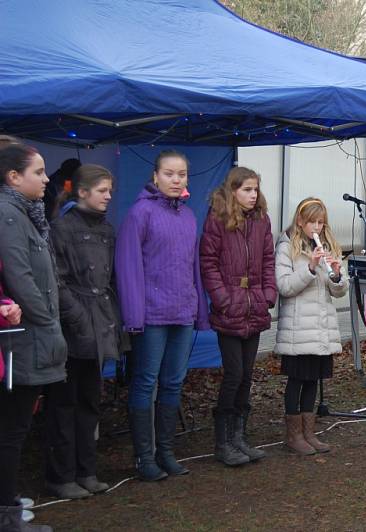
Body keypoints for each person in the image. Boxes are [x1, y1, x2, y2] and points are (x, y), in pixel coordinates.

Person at [115, 150, 209, 481]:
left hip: (182, 312)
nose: (176, 179)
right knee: (145, 382)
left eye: (181, 174)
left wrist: (198, 308)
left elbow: (192, 267)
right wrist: (134, 316)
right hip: (151, 315)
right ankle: (144, 456)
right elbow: (127, 267)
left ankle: (165, 452)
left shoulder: (188, 216)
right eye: (169, 173)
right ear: (155, 176)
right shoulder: (140, 213)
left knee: (173, 382)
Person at [41, 165, 121, 500]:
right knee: (63, 404)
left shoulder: (106, 229)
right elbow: (55, 281)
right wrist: (76, 318)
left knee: (90, 401)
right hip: (72, 327)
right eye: (102, 190)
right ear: (83, 192)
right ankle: (61, 475)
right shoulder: (61, 229)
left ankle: (87, 470)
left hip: (99, 324)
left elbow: (110, 279)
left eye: (110, 191)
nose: (108, 197)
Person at [0, 142, 67, 531]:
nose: (47, 179)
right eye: (39, 172)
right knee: (12, 429)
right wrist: (47, 323)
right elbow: (20, 277)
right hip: (22, 336)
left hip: (29, 333)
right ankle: (7, 515)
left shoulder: (22, 213)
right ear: (13, 177)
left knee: (14, 427)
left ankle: (7, 502)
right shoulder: (8, 215)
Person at [200, 167, 277, 466]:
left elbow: (268, 260)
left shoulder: (261, 220)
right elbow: (208, 263)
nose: (253, 195)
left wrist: (267, 294)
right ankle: (222, 442)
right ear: (233, 191)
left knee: (246, 374)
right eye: (246, 189)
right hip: (230, 309)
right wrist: (223, 298)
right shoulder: (217, 219)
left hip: (254, 306)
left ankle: (238, 437)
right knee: (232, 374)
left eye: (255, 189)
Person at [274, 197, 348, 455]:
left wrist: (337, 275)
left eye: (321, 222)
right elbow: (284, 286)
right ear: (300, 221)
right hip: (298, 328)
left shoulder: (327, 244)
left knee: (313, 380)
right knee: (297, 380)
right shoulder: (287, 247)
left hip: (320, 326)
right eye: (312, 222)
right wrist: (311, 267)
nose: (317, 227)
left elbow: (338, 291)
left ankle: (309, 432)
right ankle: (293, 436)